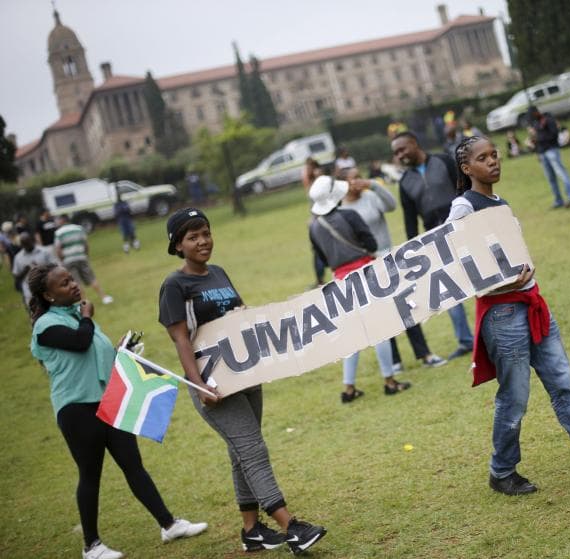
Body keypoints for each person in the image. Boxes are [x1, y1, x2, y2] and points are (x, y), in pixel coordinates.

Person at [447, 135, 570, 495]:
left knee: (564, 387)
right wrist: (505, 285)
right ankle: (502, 471)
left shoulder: (497, 201)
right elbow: (462, 273)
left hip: (533, 305)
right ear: (466, 168)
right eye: (483, 158)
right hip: (504, 316)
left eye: (495, 154)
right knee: (515, 398)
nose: (493, 161)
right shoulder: (464, 208)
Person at [158, 208, 326, 554]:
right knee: (252, 449)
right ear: (177, 245)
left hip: (245, 375)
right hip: (213, 385)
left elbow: (238, 314)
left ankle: (252, 532)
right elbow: (181, 339)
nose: (202, 241)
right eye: (192, 237)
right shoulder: (175, 285)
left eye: (205, 232)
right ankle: (291, 526)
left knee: (241, 452)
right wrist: (200, 383)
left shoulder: (218, 273)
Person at [27, 263, 207, 559]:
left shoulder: (78, 317)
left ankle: (169, 524)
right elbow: (80, 342)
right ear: (48, 295)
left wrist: (121, 350)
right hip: (76, 409)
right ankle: (91, 546)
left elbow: (97, 355)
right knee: (90, 474)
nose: (73, 285)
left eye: (72, 279)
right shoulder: (46, 326)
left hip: (108, 401)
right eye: (64, 284)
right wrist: (86, 317)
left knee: (133, 464)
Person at [308, 176, 412, 402]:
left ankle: (348, 388)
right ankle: (389, 380)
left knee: (353, 335)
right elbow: (372, 244)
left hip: (340, 281)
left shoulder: (314, 226)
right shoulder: (349, 215)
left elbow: (323, 259)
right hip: (365, 274)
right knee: (380, 330)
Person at [339, 166, 446, 371]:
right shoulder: (342, 210)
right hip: (365, 264)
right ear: (344, 184)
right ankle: (395, 361)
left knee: (405, 307)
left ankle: (425, 354)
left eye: (360, 176)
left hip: (387, 258)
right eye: (354, 179)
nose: (359, 181)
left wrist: (374, 185)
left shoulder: (370, 197)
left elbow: (391, 205)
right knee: (384, 313)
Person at [390, 131, 474, 361]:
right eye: (396, 153)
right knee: (449, 290)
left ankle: (496, 328)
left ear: (415, 144)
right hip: (434, 241)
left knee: (480, 276)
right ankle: (466, 340)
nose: (400, 155)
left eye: (402, 149)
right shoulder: (405, 182)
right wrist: (411, 249)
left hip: (463, 229)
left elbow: (466, 190)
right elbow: (409, 220)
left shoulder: (444, 161)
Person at [528, 106, 570, 209]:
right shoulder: (535, 124)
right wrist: (537, 152)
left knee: (561, 173)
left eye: (532, 114)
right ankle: (558, 201)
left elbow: (554, 135)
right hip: (542, 153)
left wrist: (540, 137)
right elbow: (536, 140)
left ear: (536, 112)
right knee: (551, 178)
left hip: (552, 150)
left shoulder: (548, 120)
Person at [54, 214, 113, 304]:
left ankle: (84, 302)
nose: (57, 222)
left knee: (76, 282)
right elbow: (86, 244)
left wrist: (62, 260)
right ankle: (104, 297)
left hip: (68, 260)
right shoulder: (78, 228)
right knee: (91, 278)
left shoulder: (59, 232)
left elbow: (58, 249)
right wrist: (86, 255)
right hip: (81, 257)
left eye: (58, 220)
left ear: (62, 220)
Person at [13, 232, 55, 309]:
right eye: (24, 244)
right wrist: (25, 270)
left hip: (47, 286)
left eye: (28, 242)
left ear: (32, 240)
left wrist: (40, 268)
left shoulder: (44, 251)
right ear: (21, 245)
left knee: (52, 308)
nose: (27, 246)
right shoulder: (18, 257)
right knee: (34, 311)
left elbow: (55, 267)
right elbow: (17, 277)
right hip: (29, 290)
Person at [302, 157, 326, 287]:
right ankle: (320, 280)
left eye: (308, 167)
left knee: (320, 251)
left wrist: (315, 218)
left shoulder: (320, 179)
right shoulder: (311, 182)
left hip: (324, 221)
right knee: (317, 251)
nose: (306, 171)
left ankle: (320, 280)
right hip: (316, 221)